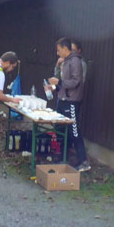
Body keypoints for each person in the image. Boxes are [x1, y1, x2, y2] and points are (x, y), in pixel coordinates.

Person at [46, 37, 90, 172]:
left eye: (58, 50)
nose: (57, 53)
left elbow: (76, 82)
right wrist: (54, 87)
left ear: (65, 49)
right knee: (60, 128)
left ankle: (84, 162)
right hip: (63, 99)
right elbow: (65, 84)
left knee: (74, 131)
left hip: (72, 101)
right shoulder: (66, 61)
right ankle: (61, 157)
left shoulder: (75, 61)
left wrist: (58, 82)